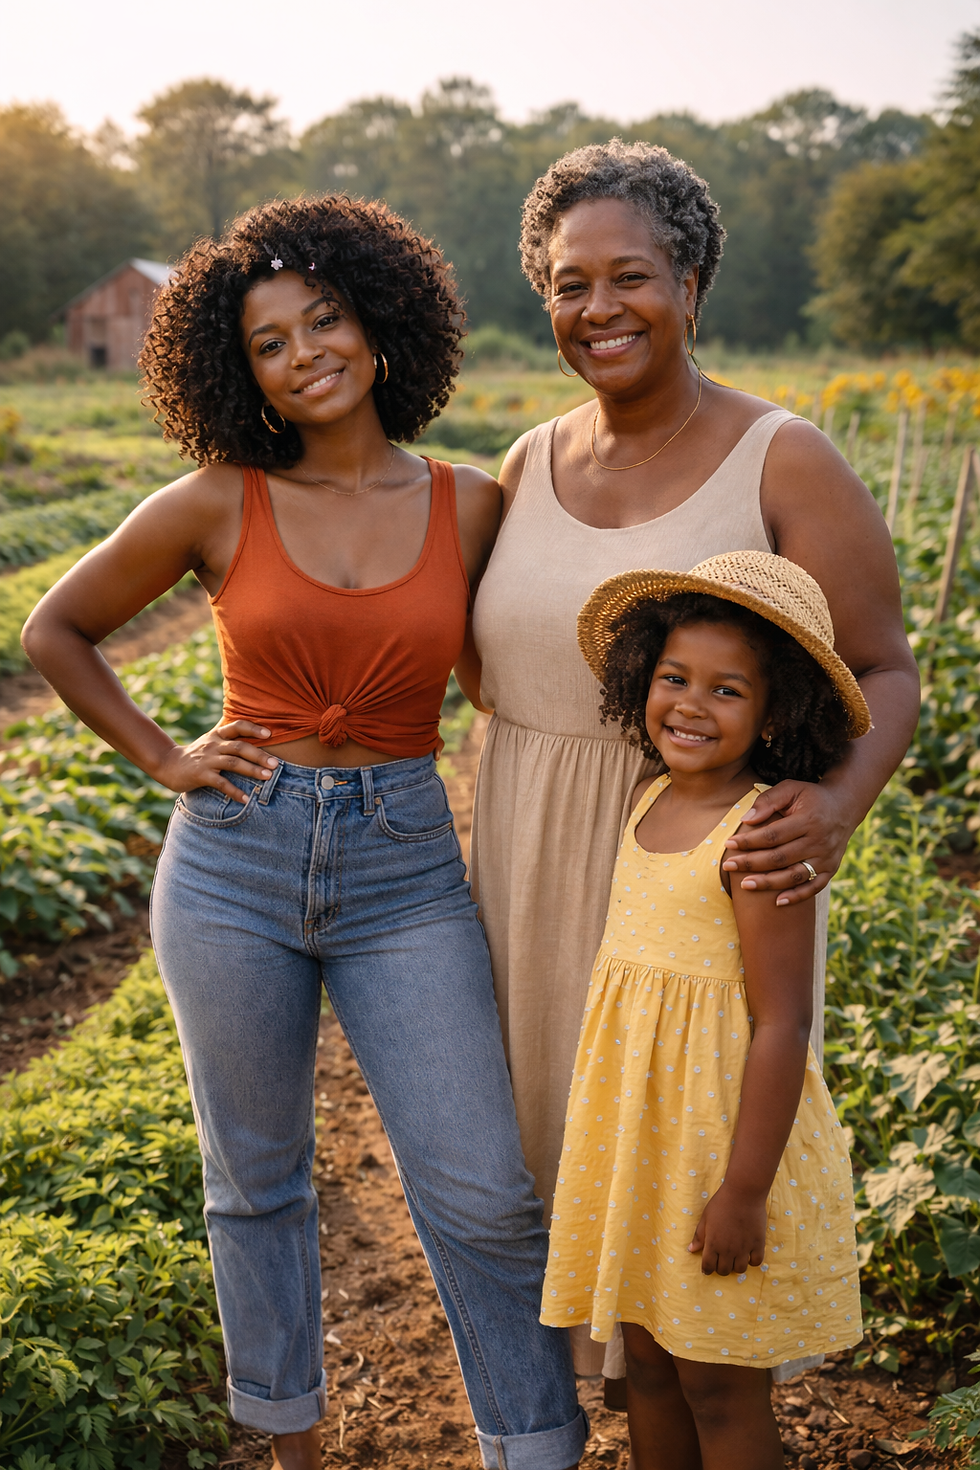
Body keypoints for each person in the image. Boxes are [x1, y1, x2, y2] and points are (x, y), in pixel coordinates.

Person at [21, 197, 587, 1470]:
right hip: (232, 860)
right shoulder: (217, 500)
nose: (302, 353)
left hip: (405, 865)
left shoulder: (474, 503)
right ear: (244, 372)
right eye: (268, 342)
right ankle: (291, 1446)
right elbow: (53, 629)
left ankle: (535, 1445)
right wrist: (164, 756)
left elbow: (516, 674)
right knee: (256, 1182)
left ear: (379, 328)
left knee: (483, 1190)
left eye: (321, 320)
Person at [464, 140, 918, 1389]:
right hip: (533, 871)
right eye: (566, 283)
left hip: (694, 905)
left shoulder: (781, 457)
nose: (596, 308)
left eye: (630, 276)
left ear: (692, 282)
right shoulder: (523, 463)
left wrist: (830, 805)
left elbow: (886, 670)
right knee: (565, 1169)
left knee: (687, 1180)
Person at [541, 550, 866, 1468]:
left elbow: (782, 1023)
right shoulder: (645, 800)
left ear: (776, 716)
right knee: (643, 1363)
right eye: (676, 677)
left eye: (728, 691)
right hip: (641, 1146)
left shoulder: (757, 834)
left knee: (718, 1382)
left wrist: (745, 1191)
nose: (691, 703)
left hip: (718, 1146)